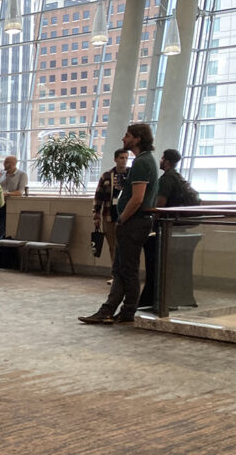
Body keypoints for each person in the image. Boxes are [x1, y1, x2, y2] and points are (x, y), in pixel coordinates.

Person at [79, 124, 159, 325]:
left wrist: (122, 218)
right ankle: (117, 310)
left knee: (125, 269)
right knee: (123, 268)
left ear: (138, 139)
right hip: (136, 222)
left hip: (133, 222)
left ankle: (120, 310)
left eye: (128, 135)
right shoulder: (145, 161)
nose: (124, 139)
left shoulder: (142, 163)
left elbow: (138, 198)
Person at [139, 149, 187, 308]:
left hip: (162, 229)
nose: (160, 160)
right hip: (176, 227)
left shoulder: (166, 180)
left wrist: (150, 224)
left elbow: (160, 205)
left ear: (166, 161)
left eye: (162, 158)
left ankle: (151, 301)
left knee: (154, 267)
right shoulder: (178, 177)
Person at [92, 149, 130, 264]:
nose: (124, 161)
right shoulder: (107, 176)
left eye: (126, 158)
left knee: (126, 247)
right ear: (115, 159)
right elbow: (98, 196)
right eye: (121, 158)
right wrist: (96, 215)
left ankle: (124, 273)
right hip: (109, 214)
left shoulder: (131, 174)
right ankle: (115, 273)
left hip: (127, 215)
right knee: (112, 246)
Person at [0, 156, 28, 254]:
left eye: (7, 162)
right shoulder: (1, 174)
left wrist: (7, 194)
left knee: (1, 230)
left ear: (13, 163)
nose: (4, 164)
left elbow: (20, 192)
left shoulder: (22, 174)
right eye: (4, 162)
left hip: (10, 206)